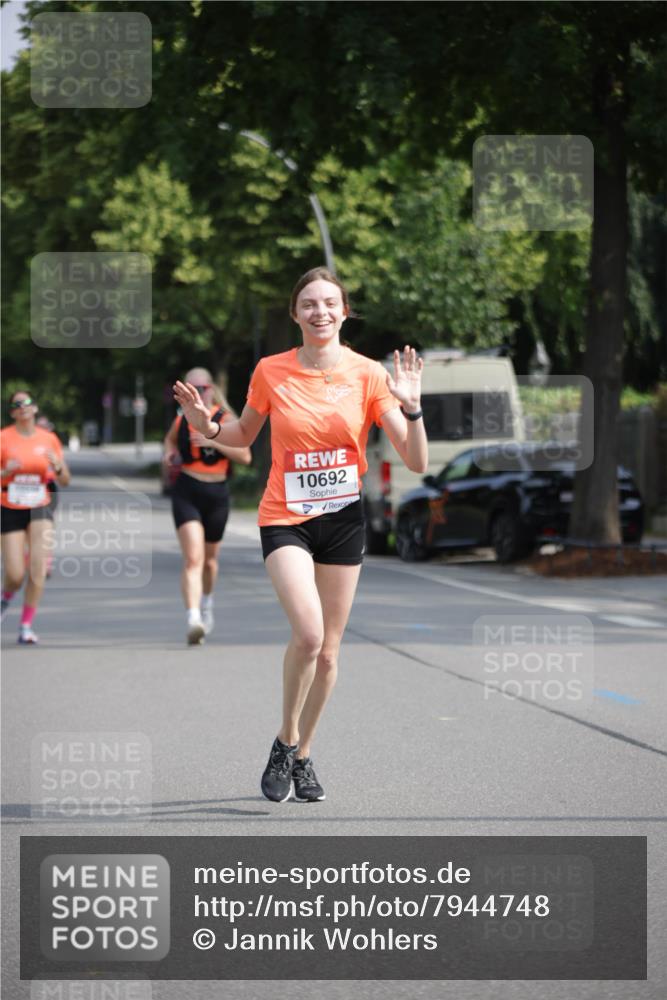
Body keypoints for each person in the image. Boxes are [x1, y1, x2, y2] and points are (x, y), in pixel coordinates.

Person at [174, 267, 427, 802]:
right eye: (309, 304)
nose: (320, 312)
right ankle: (285, 741)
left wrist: (412, 406)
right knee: (309, 635)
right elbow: (243, 434)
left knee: (331, 653)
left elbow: (416, 459)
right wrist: (207, 428)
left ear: (344, 311)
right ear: (295, 314)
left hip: (342, 520)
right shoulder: (271, 370)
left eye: (330, 303)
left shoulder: (367, 374)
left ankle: (302, 752)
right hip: (285, 516)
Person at [164, 368, 252, 645]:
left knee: (210, 563)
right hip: (187, 490)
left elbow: (245, 457)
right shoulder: (181, 420)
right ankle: (193, 618)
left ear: (211, 389)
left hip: (216, 493)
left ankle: (207, 604)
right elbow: (169, 441)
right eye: (191, 387)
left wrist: (213, 437)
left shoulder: (225, 419)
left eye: (201, 388)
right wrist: (169, 454)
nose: (197, 392)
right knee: (193, 559)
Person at [1, 390, 70, 643]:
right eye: (16, 404)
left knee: (38, 567)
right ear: (12, 412)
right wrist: (4, 471)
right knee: (15, 574)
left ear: (35, 408)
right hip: (9, 504)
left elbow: (65, 479)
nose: (22, 407)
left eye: (26, 402)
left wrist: (59, 466)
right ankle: (5, 597)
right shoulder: (3, 438)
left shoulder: (49, 439)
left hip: (40, 504)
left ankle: (26, 626)